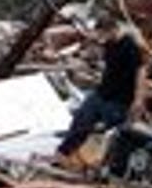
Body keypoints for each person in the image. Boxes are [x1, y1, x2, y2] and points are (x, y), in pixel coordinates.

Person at [56, 15, 147, 160]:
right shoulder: (109, 43)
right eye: (100, 34)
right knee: (81, 119)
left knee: (115, 135)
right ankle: (62, 153)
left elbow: (141, 72)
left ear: (113, 30)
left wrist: (138, 99)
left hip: (120, 99)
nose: (101, 38)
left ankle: (111, 164)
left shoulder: (130, 46)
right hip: (101, 93)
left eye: (103, 34)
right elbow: (98, 52)